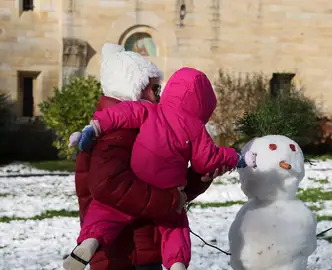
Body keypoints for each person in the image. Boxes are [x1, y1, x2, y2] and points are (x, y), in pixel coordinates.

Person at [66, 43, 229, 270]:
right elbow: (108, 185)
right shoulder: (116, 132)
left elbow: (166, 181)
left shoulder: (145, 128)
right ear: (133, 87)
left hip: (142, 250)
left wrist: (200, 176)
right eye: (154, 88)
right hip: (123, 255)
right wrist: (172, 200)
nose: (157, 97)